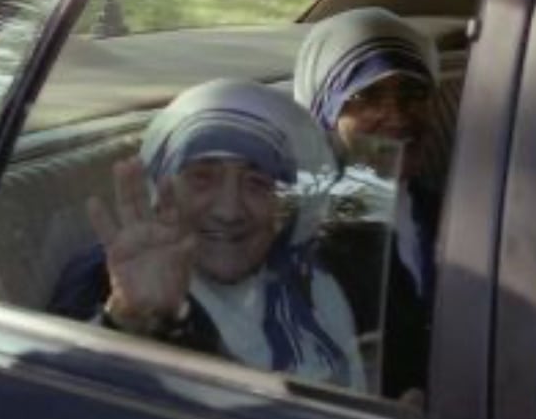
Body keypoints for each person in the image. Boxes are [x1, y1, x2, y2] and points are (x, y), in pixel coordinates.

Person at [50, 79, 365, 391]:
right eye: (202, 177)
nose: (229, 211)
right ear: (161, 190)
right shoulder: (105, 279)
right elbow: (50, 416)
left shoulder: (313, 288)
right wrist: (127, 319)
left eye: (257, 183)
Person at [293, 7, 444, 405]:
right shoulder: (303, 235)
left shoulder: (455, 211)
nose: (395, 116)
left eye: (413, 93)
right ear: (324, 114)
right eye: (366, 96)